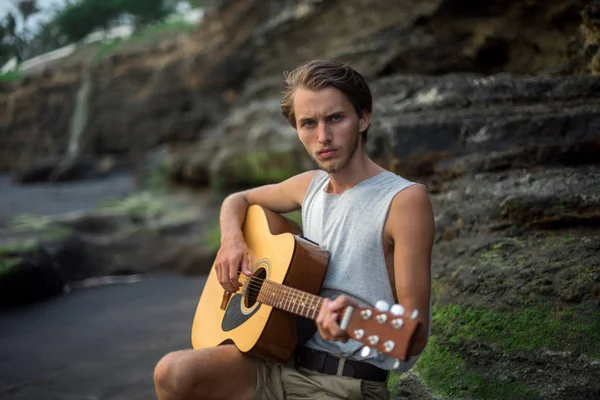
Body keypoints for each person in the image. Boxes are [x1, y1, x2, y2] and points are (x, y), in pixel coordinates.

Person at [153, 60, 434, 400]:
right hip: (279, 362)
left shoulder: (403, 200)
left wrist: (353, 321)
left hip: (346, 384)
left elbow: (414, 334)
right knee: (173, 372)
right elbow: (236, 199)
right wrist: (232, 242)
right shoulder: (309, 186)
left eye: (335, 118)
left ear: (363, 118)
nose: (323, 137)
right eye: (308, 124)